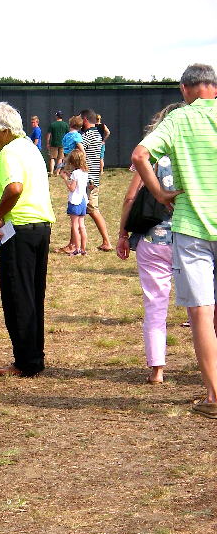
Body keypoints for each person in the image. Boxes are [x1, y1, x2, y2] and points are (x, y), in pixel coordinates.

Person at [131, 63, 217, 417]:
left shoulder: (178, 119)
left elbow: (140, 155)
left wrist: (159, 193)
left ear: (185, 89)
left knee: (201, 312)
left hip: (192, 227)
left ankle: (214, 397)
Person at [0, 102, 55, 377]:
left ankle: (25, 361)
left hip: (19, 229)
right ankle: (34, 357)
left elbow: (14, 188)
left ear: (4, 129)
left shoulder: (9, 152)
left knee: (17, 296)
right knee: (33, 294)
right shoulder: (30, 148)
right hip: (40, 226)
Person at [117, 103, 184, 384]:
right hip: (191, 237)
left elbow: (131, 197)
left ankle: (157, 368)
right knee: (206, 304)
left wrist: (123, 233)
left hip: (153, 239)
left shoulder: (152, 157)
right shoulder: (194, 156)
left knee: (155, 303)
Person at [81, 108, 113, 252]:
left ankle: (105, 241)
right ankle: (106, 241)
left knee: (85, 211)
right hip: (93, 177)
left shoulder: (88, 135)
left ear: (85, 120)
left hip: (88, 179)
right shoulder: (97, 133)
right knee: (89, 210)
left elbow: (78, 150)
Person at [61, 148, 89, 256]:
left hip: (75, 201)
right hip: (83, 201)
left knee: (75, 226)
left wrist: (65, 179)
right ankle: (83, 249)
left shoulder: (75, 173)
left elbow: (72, 188)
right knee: (82, 226)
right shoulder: (84, 172)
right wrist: (69, 176)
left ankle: (76, 249)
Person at [46, 110, 69, 176]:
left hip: (54, 143)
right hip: (62, 144)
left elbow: (49, 135)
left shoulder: (53, 124)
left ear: (56, 116)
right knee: (60, 158)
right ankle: (57, 172)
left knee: (52, 158)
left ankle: (51, 171)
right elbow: (68, 135)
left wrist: (47, 143)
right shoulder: (65, 125)